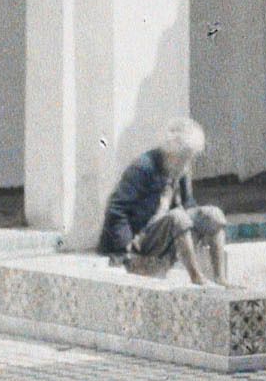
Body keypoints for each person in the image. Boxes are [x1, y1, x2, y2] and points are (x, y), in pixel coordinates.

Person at [97, 117, 229, 285]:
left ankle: (221, 278)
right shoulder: (143, 168)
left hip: (166, 230)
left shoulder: (180, 168)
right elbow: (117, 209)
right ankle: (196, 278)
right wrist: (124, 250)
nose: (187, 163)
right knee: (178, 217)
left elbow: (188, 205)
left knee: (213, 214)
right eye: (184, 157)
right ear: (172, 152)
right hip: (140, 237)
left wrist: (199, 226)